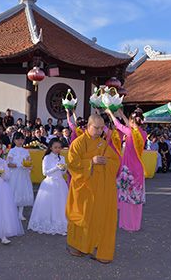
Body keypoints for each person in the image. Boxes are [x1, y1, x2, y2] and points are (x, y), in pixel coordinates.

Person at [66, 114, 120, 264]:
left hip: (99, 189)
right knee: (82, 216)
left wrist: (106, 162)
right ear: (88, 126)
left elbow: (115, 161)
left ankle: (95, 246)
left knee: (97, 218)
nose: (99, 131)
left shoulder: (102, 144)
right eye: (96, 128)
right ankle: (77, 246)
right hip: (83, 188)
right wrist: (91, 162)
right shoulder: (78, 143)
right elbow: (72, 164)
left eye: (102, 128)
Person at [106, 108, 145, 232]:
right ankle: (135, 224)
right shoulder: (142, 134)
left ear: (132, 121)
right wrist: (121, 113)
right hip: (138, 167)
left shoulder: (129, 132)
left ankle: (127, 223)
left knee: (127, 196)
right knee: (135, 197)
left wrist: (111, 112)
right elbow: (127, 125)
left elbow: (118, 124)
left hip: (128, 167)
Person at [28, 138, 68, 235]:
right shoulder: (47, 158)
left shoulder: (61, 158)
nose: (58, 149)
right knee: (50, 204)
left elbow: (63, 172)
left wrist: (63, 169)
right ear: (51, 148)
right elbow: (45, 172)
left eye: (59, 148)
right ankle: (49, 223)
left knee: (60, 204)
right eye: (55, 147)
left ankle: (61, 224)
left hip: (60, 183)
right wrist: (56, 168)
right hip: (50, 183)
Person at [7, 132, 34, 220]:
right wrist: (16, 165)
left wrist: (29, 165)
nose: (20, 141)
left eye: (22, 139)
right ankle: (12, 212)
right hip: (15, 174)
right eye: (18, 139)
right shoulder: (12, 151)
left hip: (23, 174)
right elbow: (8, 163)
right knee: (14, 191)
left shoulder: (26, 151)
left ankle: (20, 213)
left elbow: (29, 161)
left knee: (22, 191)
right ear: (14, 140)